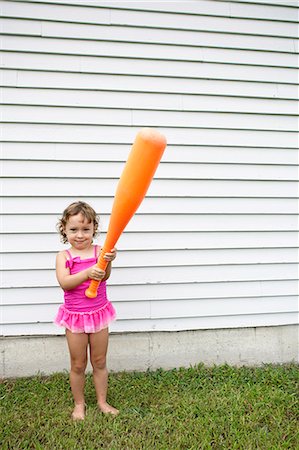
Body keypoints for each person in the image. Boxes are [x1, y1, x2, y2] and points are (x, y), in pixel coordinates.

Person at [54, 201, 118, 420]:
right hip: (75, 318)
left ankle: (102, 401)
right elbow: (65, 282)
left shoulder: (101, 251)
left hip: (99, 313)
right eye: (73, 230)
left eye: (85, 230)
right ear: (64, 229)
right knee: (78, 363)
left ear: (93, 229)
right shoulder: (64, 256)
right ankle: (79, 404)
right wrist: (88, 273)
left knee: (99, 361)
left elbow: (105, 276)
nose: (79, 235)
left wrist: (107, 262)